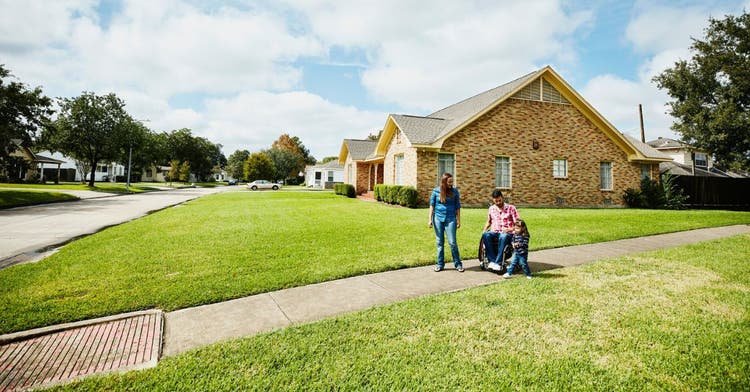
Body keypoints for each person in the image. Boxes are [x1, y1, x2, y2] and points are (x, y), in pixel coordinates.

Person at [428, 172, 464, 272]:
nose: (451, 183)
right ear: (444, 182)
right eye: (449, 182)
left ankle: (458, 264)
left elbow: (457, 207)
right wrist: (429, 219)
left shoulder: (455, 191)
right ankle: (440, 264)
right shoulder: (436, 191)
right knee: (440, 242)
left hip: (451, 219)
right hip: (438, 218)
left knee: (452, 242)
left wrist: (458, 220)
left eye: (452, 181)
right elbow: (432, 205)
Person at [481, 189, 520, 271]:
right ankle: (492, 261)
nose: (498, 203)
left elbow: (518, 224)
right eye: (496, 201)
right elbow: (489, 222)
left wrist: (509, 229)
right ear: (493, 200)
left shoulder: (511, 208)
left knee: (503, 236)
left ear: (502, 198)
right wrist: (484, 231)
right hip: (495, 232)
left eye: (499, 200)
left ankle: (498, 263)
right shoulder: (491, 209)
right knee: (485, 235)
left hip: (508, 233)